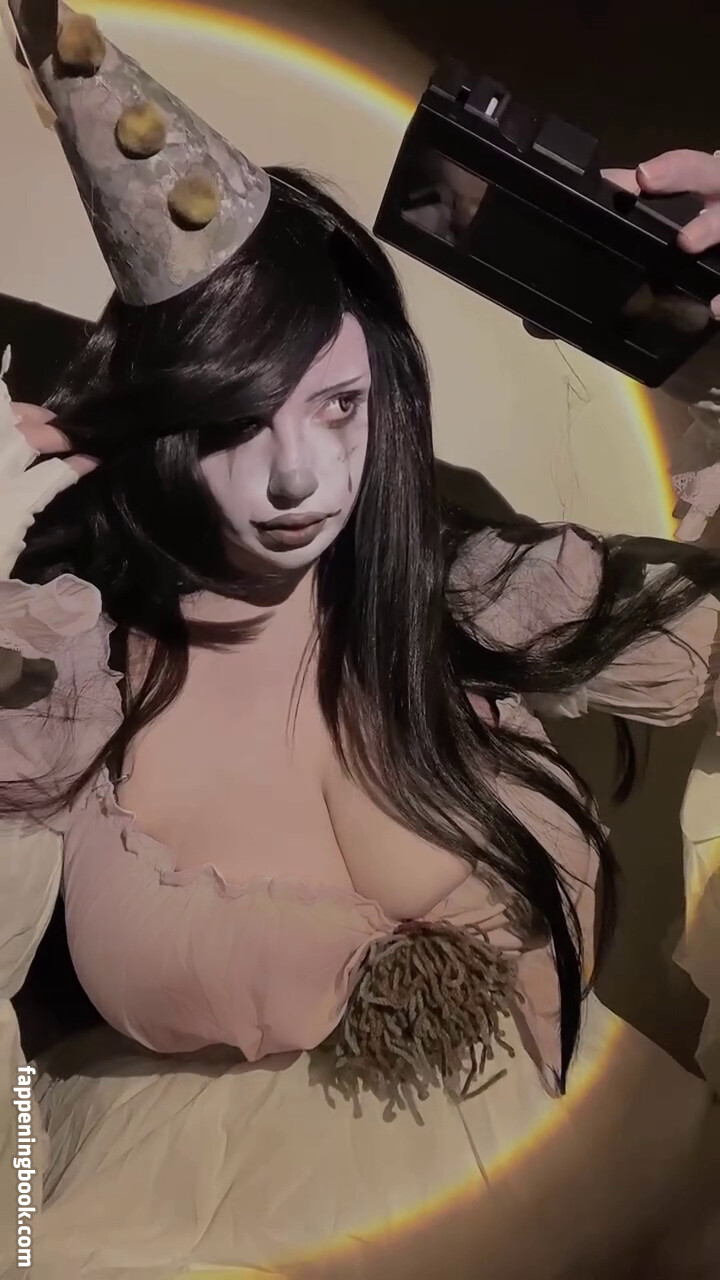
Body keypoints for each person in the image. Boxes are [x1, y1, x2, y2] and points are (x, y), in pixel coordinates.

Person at [1, 4, 719, 1277]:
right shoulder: (65, 681)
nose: (297, 477)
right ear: (161, 428)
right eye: (236, 420)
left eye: (337, 405)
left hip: (606, 1214)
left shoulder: (467, 596)